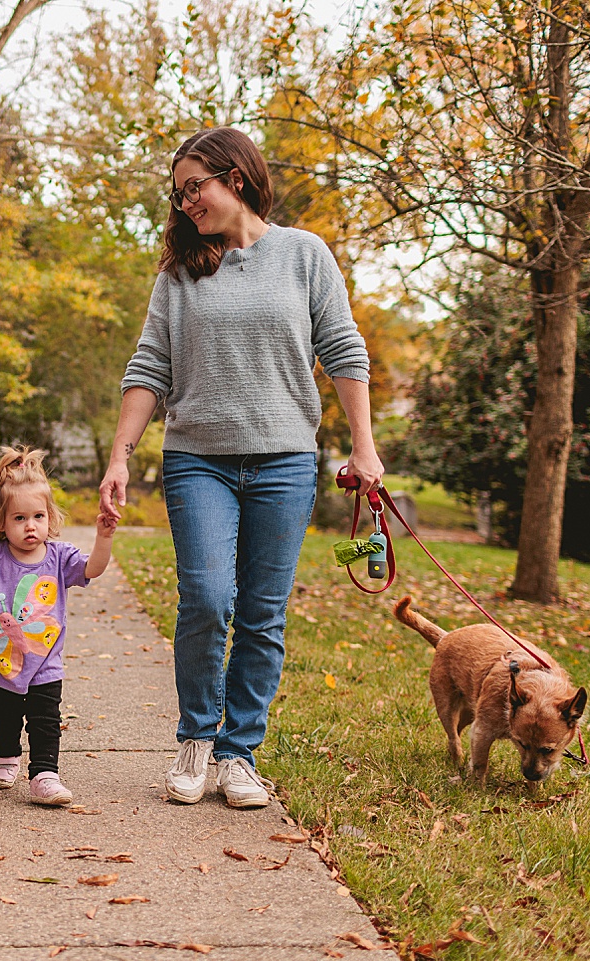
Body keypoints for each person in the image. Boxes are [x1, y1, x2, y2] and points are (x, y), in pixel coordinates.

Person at [98, 127, 383, 810]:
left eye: (195, 186)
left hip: (286, 459)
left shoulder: (303, 254)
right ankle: (197, 737)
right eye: (179, 194)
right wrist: (119, 455)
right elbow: (150, 367)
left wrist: (364, 446)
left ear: (238, 176)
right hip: (198, 458)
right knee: (206, 596)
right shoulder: (179, 272)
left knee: (261, 611)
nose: (187, 202)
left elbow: (343, 347)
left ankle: (238, 752)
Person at [0, 447, 116, 806]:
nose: (30, 526)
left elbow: (92, 570)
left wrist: (104, 538)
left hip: (45, 661)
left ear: (49, 516)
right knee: (3, 715)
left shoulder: (60, 556)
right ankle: (6, 757)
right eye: (19, 518)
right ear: (1, 522)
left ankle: (44, 774)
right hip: (1, 660)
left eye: (38, 516)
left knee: (45, 719)